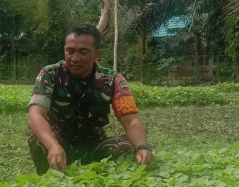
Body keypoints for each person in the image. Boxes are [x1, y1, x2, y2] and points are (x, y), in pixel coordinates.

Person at [28, 24, 155, 174]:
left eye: (83, 52)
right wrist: (52, 145)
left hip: (95, 145)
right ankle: (48, 182)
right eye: (70, 51)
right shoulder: (49, 74)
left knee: (130, 145)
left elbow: (131, 120)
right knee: (38, 141)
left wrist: (143, 147)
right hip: (60, 142)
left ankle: (102, 179)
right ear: (64, 50)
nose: (75, 58)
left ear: (97, 54)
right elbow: (35, 115)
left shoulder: (113, 80)